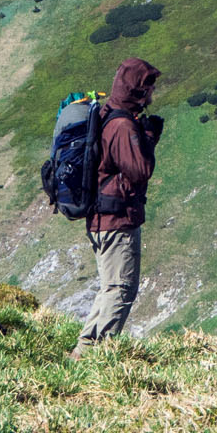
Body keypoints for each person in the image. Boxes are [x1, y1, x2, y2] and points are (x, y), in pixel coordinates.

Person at [72, 57, 162, 356]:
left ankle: (84, 350)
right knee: (121, 289)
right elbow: (140, 170)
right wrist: (148, 137)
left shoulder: (108, 113)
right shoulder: (123, 125)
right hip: (116, 220)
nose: (152, 94)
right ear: (138, 91)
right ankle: (95, 356)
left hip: (102, 218)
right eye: (149, 88)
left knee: (111, 287)